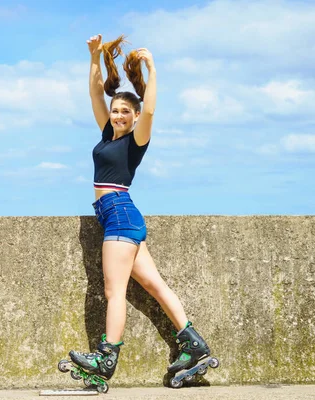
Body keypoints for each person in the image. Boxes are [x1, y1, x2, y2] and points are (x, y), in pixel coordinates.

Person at [68, 34, 211, 383]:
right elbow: (94, 92)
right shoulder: (107, 134)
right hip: (119, 215)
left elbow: (150, 108)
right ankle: (194, 345)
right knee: (155, 286)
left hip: (119, 213)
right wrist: (93, 57)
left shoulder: (137, 139)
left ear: (133, 118)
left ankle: (105, 360)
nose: (118, 115)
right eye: (115, 110)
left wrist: (151, 68)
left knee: (113, 291)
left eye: (124, 112)